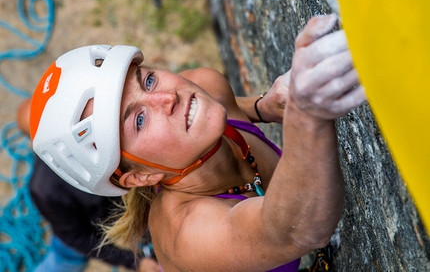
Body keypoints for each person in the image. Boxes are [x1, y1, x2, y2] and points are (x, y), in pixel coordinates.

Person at [29, 14, 366, 272]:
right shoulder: (189, 232)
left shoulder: (203, 89)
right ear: (139, 177)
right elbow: (294, 232)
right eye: (139, 120)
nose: (167, 97)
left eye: (147, 79)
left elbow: (226, 107)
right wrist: (308, 118)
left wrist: (266, 107)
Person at [16, 100, 160, 272]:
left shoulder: (101, 135)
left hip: (131, 214)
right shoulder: (45, 190)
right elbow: (78, 238)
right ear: (37, 146)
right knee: (65, 259)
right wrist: (135, 262)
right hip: (86, 230)